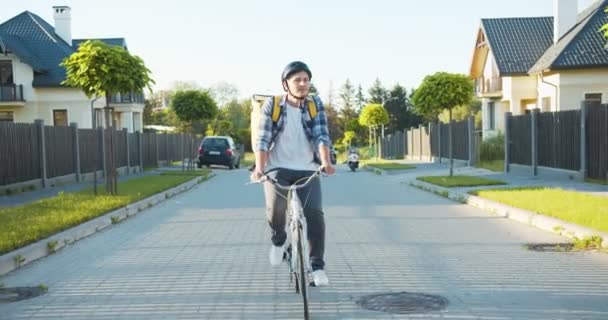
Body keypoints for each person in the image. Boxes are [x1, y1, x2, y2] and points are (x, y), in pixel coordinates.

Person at [251, 61, 335, 286]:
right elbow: (263, 138)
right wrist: (260, 167)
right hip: (277, 168)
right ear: (285, 84)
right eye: (297, 79)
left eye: (306, 79)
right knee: (275, 211)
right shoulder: (274, 105)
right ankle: (279, 240)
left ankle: (317, 267)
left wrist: (326, 162)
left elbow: (321, 136)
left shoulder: (314, 104)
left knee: (315, 213)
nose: (303, 83)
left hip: (308, 168)